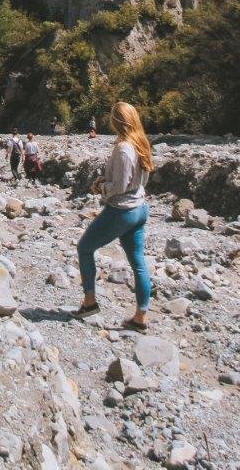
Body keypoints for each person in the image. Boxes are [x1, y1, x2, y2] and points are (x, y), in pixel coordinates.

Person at [74, 101, 154, 330]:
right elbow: (140, 180)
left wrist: (101, 188)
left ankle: (89, 302)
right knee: (138, 263)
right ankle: (140, 317)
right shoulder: (142, 143)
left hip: (122, 211)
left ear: (117, 121)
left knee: (85, 248)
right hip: (140, 208)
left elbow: (119, 185)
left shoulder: (123, 148)